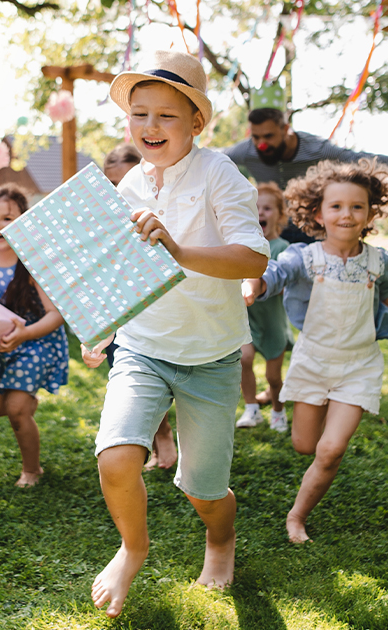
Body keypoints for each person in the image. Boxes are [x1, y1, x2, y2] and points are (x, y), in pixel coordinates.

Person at [84, 50, 270, 617]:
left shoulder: (219, 174)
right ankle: (132, 549)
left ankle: (220, 538)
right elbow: (120, 269)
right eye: (139, 114)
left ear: (196, 123)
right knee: (116, 457)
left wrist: (181, 250)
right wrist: (101, 327)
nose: (150, 127)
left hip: (210, 356)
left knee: (202, 490)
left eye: (166, 115)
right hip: (141, 346)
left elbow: (254, 258)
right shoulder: (128, 185)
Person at [244, 159, 388, 544]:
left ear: (371, 212)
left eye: (357, 206)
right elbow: (274, 275)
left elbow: (384, 298)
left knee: (329, 450)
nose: (347, 214)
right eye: (336, 206)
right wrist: (255, 284)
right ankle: (326, 416)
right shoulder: (303, 258)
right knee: (304, 445)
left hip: (359, 365)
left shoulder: (380, 262)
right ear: (317, 212)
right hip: (312, 361)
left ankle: (297, 517)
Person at [223, 108, 388, 243]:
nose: (261, 144)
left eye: (268, 136)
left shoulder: (317, 149)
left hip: (311, 226)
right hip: (272, 228)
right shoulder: (247, 150)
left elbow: (371, 160)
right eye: (256, 137)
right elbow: (212, 159)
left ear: (286, 129)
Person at [0, 184, 69, 488]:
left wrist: (26, 335)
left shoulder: (33, 263)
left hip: (35, 340)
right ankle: (24, 404)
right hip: (3, 341)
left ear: (24, 221)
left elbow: (55, 314)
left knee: (15, 410)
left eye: (8, 218)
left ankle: (32, 469)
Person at [99, 144, 178, 470]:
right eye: (111, 185)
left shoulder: (157, 213)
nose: (119, 193)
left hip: (161, 309)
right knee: (128, 372)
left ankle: (172, 434)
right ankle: (158, 436)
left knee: (165, 374)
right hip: (119, 312)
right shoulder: (101, 222)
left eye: (124, 183)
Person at [236, 182, 291, 432]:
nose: (260, 213)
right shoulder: (241, 248)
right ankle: (251, 409)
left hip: (273, 323)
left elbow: (281, 280)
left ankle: (278, 411)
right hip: (247, 320)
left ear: (280, 215)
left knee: (273, 377)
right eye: (255, 208)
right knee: (243, 360)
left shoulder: (283, 249)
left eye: (267, 208)